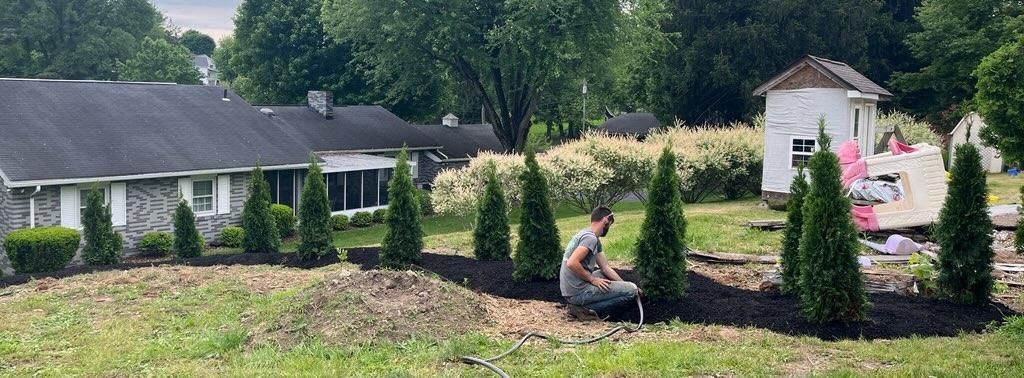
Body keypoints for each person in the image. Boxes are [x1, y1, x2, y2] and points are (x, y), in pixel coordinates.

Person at [560, 206, 640, 320]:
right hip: (577, 292)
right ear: (605, 220)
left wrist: (624, 284)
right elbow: (572, 263)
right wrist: (592, 279)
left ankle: (579, 306)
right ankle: (585, 309)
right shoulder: (590, 239)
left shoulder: (589, 236)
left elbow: (605, 268)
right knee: (631, 291)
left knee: (604, 274)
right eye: (610, 224)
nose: (609, 228)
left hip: (572, 288)